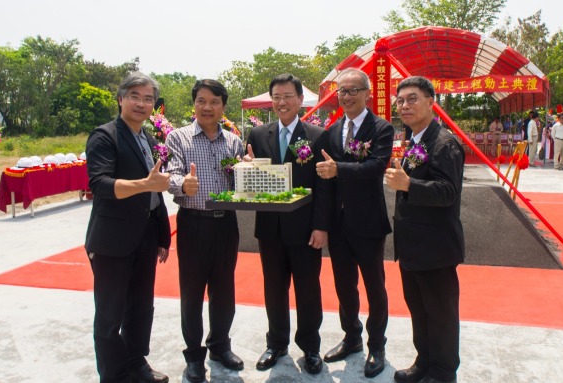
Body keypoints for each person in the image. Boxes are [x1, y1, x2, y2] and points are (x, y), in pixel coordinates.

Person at [85, 71, 171, 383]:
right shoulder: (104, 136)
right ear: (120, 99)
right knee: (109, 314)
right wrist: (144, 184)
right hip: (112, 241)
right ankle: (114, 374)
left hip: (145, 236)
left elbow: (155, 191)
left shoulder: (147, 139)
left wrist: (161, 233)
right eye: (135, 96)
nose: (141, 103)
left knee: (141, 307)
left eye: (148, 99)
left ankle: (137, 363)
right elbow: (101, 184)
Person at [243, 74, 333, 375]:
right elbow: (253, 178)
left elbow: (325, 188)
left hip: (307, 230)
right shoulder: (257, 135)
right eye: (277, 97)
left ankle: (310, 348)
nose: (282, 102)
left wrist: (321, 227)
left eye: (288, 96)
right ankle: (277, 343)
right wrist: (245, 168)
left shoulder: (318, 135)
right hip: (269, 230)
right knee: (274, 289)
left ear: (299, 99)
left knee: (308, 290)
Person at [385, 76, 465, 383]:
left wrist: (408, 184)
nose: (404, 106)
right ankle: (425, 361)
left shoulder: (444, 143)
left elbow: (448, 191)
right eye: (401, 100)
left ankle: (444, 372)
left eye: (412, 99)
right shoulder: (415, 139)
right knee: (419, 310)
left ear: (432, 102)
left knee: (441, 315)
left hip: (436, 248)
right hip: (413, 246)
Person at [316, 68, 394, 378]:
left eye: (352, 90)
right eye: (341, 91)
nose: (346, 96)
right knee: (344, 285)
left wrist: (339, 169)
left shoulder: (382, 128)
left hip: (368, 222)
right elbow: (324, 177)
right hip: (338, 224)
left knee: (375, 286)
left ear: (367, 94)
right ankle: (351, 337)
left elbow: (376, 166)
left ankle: (377, 344)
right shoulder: (333, 130)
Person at [165, 79, 245, 382]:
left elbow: (238, 184)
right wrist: (182, 183)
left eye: (214, 101)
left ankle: (220, 346)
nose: (207, 107)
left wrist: (248, 170)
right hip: (193, 222)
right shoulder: (178, 138)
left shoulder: (233, 141)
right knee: (192, 292)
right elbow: (170, 175)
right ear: (194, 104)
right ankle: (194, 355)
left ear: (223, 106)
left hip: (227, 224)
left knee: (224, 290)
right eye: (201, 101)